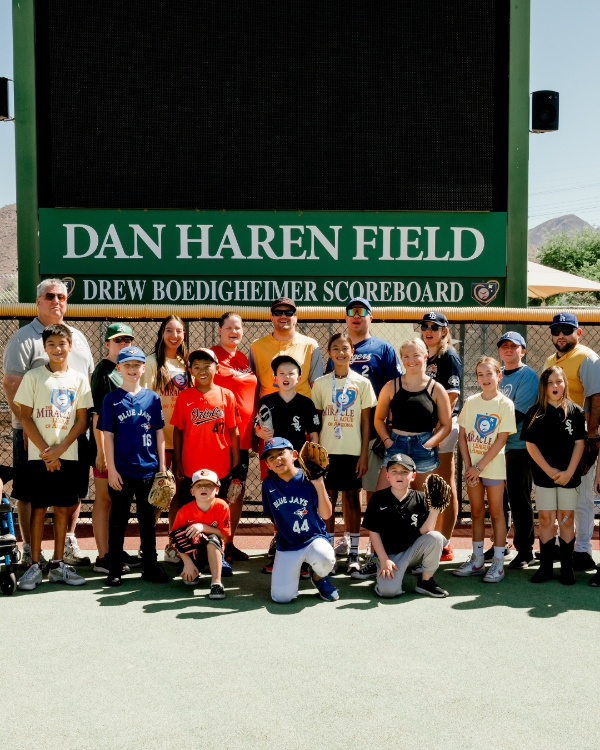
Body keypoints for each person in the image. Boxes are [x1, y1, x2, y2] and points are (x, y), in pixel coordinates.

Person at [2, 278, 94, 568]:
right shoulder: (24, 338)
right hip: (34, 435)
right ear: (38, 301)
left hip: (72, 432)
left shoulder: (77, 337)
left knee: (73, 491)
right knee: (30, 493)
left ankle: (66, 543)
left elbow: (86, 382)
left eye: (62, 297)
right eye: (50, 296)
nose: (57, 301)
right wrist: (33, 434)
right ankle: (31, 549)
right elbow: (12, 384)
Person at [15, 324, 93, 591]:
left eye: (62, 343)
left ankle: (58, 565)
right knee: (38, 510)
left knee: (62, 509)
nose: (57, 349)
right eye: (51, 345)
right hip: (40, 458)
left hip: (68, 456)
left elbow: (82, 421)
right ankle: (36, 565)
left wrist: (60, 450)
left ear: (70, 346)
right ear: (44, 348)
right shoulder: (34, 377)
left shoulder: (79, 379)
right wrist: (47, 453)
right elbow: (25, 416)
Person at [98, 346, 168, 587]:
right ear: (119, 368)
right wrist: (111, 469)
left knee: (148, 522)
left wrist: (162, 466)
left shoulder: (152, 398)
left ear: (143, 368)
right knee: (118, 521)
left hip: (148, 469)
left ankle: (150, 565)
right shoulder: (112, 399)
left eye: (136, 365)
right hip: (122, 471)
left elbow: (159, 433)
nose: (131, 369)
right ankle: (115, 568)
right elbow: (107, 435)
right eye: (126, 365)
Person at [171, 347, 240, 576]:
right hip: (192, 466)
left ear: (216, 368)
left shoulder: (226, 395)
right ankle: (188, 557)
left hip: (219, 466)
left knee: (219, 513)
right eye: (197, 367)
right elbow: (178, 431)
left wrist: (236, 460)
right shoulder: (185, 396)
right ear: (190, 370)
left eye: (207, 366)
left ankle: (219, 557)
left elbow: (233, 430)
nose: (202, 371)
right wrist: (179, 462)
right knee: (188, 512)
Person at [311, 333, 377, 574]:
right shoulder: (320, 384)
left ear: (352, 353)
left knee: (351, 500)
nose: (340, 352)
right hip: (327, 453)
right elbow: (316, 421)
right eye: (335, 348)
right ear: (329, 353)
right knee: (327, 499)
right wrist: (316, 455)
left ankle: (353, 553)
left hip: (352, 451)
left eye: (345, 348)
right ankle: (327, 551)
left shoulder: (361, 383)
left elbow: (366, 423)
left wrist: (363, 455)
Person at [543, 312, 600, 572]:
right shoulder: (549, 361)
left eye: (567, 329)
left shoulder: (587, 358)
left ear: (579, 332)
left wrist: (591, 435)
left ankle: (583, 550)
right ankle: (560, 546)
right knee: (557, 497)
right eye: (556, 330)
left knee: (583, 498)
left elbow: (597, 398)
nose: (561, 335)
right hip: (554, 441)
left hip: (581, 438)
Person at [454, 356, 516, 584]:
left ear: (499, 376)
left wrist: (479, 467)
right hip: (473, 470)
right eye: (480, 374)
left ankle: (498, 562)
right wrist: (470, 465)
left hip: (493, 469)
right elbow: (462, 436)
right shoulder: (471, 402)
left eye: (489, 373)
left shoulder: (505, 404)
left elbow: (500, 440)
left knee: (497, 514)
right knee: (477, 514)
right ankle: (478, 560)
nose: (484, 378)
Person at [521, 367, 585, 585]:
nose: (555, 386)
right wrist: (549, 470)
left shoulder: (575, 412)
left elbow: (579, 443)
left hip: (569, 478)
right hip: (543, 476)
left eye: (559, 381)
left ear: (565, 384)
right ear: (544, 386)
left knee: (566, 519)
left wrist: (569, 472)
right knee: (547, 519)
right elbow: (530, 444)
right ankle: (545, 568)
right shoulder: (535, 412)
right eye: (550, 382)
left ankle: (567, 569)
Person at [90, 323, 141, 574]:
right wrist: (100, 453)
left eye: (127, 339)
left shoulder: (124, 370)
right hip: (106, 446)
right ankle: (103, 556)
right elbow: (97, 416)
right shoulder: (103, 371)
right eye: (117, 340)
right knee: (104, 499)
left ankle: (115, 549)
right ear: (107, 343)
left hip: (125, 447)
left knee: (118, 499)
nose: (123, 343)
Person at [260, 438, 338, 603]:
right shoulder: (268, 484)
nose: (277, 459)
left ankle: (319, 578)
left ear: (294, 455)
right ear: (267, 465)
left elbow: (326, 514)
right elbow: (272, 515)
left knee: (326, 558)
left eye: (281, 453)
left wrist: (319, 484)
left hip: (313, 539)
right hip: (287, 544)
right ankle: (293, 571)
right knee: (282, 597)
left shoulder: (309, 477)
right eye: (271, 457)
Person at [361, 453, 448, 598]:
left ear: (413, 476)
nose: (399, 475)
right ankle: (381, 575)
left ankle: (425, 581)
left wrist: (434, 511)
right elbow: (374, 532)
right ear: (387, 476)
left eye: (404, 472)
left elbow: (425, 532)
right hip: (389, 555)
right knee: (388, 592)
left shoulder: (421, 498)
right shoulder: (378, 498)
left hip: (412, 551)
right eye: (394, 471)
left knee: (436, 537)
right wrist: (383, 560)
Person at [140, 315, 189, 564]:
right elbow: (145, 400)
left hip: (181, 439)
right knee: (157, 495)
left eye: (179, 331)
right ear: (162, 333)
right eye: (169, 330)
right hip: (158, 439)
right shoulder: (151, 362)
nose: (174, 335)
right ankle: (147, 545)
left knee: (177, 494)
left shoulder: (187, 363)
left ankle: (173, 544)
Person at [374, 339, 452, 493]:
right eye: (406, 356)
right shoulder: (391, 386)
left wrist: (429, 444)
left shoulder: (436, 389)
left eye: (416, 355)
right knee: (383, 500)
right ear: (401, 359)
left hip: (423, 447)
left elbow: (446, 425)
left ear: (425, 356)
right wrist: (388, 441)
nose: (411, 360)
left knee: (424, 502)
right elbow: (378, 419)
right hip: (396, 445)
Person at [211, 313, 257, 563]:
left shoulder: (244, 359)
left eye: (238, 328)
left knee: (236, 492)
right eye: (228, 327)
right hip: (218, 437)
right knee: (215, 493)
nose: (233, 331)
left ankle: (228, 543)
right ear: (219, 330)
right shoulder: (210, 355)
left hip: (243, 437)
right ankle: (210, 544)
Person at [420, 311, 462, 561]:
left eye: (434, 327)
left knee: (445, 484)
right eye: (425, 326)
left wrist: (437, 428)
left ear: (444, 331)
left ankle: (445, 542)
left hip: (443, 427)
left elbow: (452, 396)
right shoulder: (426, 355)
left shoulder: (448, 355)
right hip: (427, 429)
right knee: (429, 485)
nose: (429, 330)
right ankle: (433, 538)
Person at [496, 331, 539, 569]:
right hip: (494, 447)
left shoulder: (528, 376)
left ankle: (525, 550)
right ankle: (500, 545)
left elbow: (518, 414)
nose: (508, 349)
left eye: (514, 346)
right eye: (504, 346)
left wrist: (488, 430)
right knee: (497, 499)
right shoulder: (497, 374)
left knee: (518, 497)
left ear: (523, 350)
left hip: (517, 446)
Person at [169, 469, 230, 599]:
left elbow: (224, 534)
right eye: (199, 485)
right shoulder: (184, 511)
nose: (203, 488)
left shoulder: (222, 506)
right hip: (193, 551)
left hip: (214, 549)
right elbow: (174, 538)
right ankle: (194, 568)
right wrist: (187, 563)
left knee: (213, 539)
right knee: (189, 580)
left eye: (209, 485)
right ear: (192, 491)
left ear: (217, 490)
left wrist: (202, 527)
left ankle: (216, 583)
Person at [249, 297, 323, 399]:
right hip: (270, 409)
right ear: (272, 318)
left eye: (289, 312)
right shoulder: (256, 346)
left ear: (295, 319)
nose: (283, 316)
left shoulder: (310, 345)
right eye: (278, 312)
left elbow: (316, 385)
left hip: (301, 408)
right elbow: (252, 385)